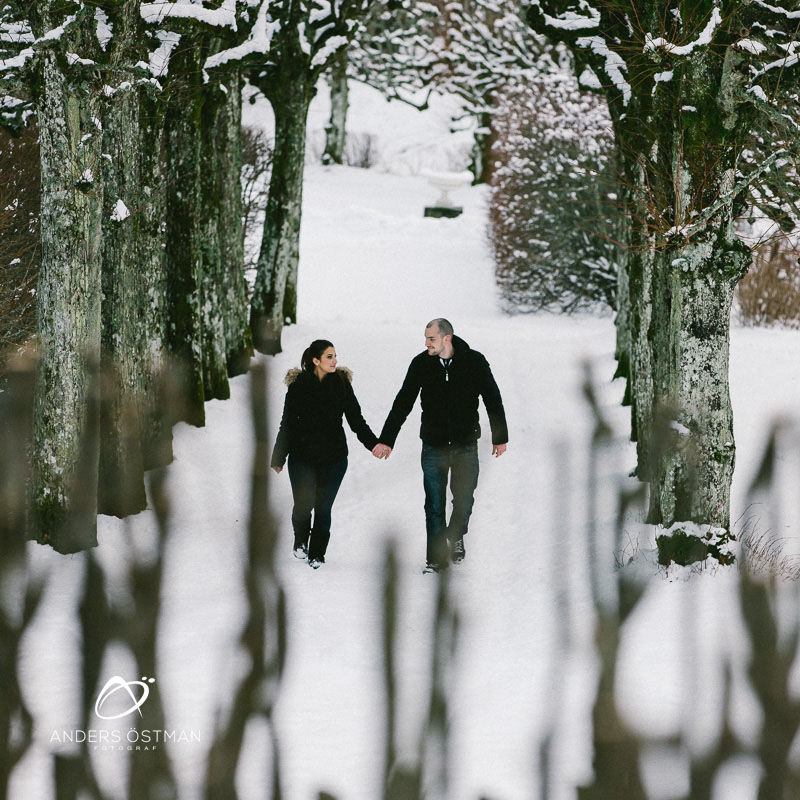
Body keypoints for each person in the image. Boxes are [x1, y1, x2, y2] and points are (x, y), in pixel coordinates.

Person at [375, 319, 508, 572]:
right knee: (434, 504)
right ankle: (435, 559)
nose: (426, 343)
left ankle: (456, 535)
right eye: (426, 338)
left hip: (465, 444)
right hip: (433, 445)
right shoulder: (421, 364)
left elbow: (493, 398)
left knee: (464, 499)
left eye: (431, 339)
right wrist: (387, 439)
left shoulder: (474, 362)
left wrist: (500, 437)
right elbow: (403, 401)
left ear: (446, 338)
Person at [271, 339, 382, 569]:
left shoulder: (341, 384)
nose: (335, 361)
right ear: (315, 360)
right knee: (303, 504)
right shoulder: (298, 386)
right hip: (302, 458)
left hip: (334, 459)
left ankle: (317, 554)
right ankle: (300, 542)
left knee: (323, 507)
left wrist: (374, 444)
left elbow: (356, 420)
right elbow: (287, 424)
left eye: (335, 356)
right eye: (329, 356)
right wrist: (279, 457)